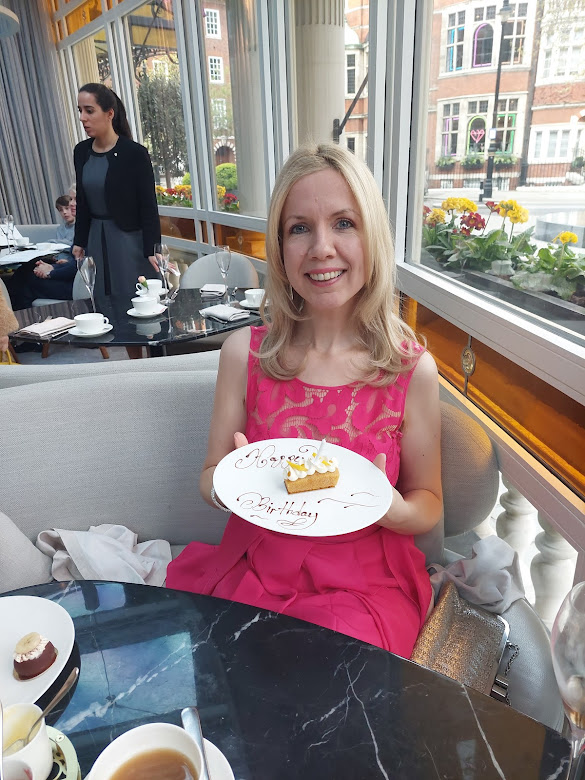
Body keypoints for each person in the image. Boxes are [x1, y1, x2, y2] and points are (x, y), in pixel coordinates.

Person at [166, 143, 443, 658]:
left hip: (364, 585)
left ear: (372, 237)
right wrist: (235, 484)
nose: (321, 248)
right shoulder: (243, 354)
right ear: (279, 248)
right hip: (257, 564)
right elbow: (208, 477)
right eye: (299, 228)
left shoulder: (410, 370)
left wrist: (391, 510)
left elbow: (428, 502)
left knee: (323, 677)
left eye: (344, 223)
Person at [72, 83, 161, 298]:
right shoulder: (81, 151)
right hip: (95, 240)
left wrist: (153, 249)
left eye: (89, 111)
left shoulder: (134, 153)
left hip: (129, 241)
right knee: (101, 297)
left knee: (136, 298)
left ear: (109, 113)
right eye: (80, 111)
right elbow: (83, 201)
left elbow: (148, 205)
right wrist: (79, 240)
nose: (83, 118)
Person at [6, 194, 77, 311]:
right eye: (61, 209)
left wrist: (51, 271)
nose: (71, 205)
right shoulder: (64, 228)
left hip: (72, 280)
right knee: (25, 269)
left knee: (28, 281)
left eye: (74, 201)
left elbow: (77, 265)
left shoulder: (85, 230)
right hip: (63, 266)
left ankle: (18, 313)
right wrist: (52, 266)